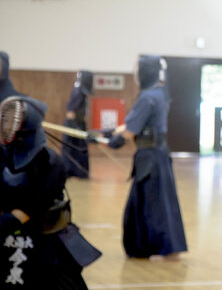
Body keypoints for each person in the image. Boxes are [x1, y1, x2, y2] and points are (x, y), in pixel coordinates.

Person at [0, 95, 101, 288]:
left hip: (43, 240)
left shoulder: (51, 164)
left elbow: (30, 209)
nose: (4, 124)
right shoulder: (2, 157)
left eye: (10, 119)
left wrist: (9, 219)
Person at [101, 55, 187, 260]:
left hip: (150, 159)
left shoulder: (148, 97)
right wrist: (110, 131)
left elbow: (130, 131)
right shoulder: (160, 93)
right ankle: (166, 248)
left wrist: (115, 140)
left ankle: (158, 248)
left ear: (145, 72)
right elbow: (135, 125)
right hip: (158, 156)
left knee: (150, 207)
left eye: (137, 70)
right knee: (159, 205)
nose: (134, 75)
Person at [61, 71, 94, 179]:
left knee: (80, 148)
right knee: (69, 148)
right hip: (73, 124)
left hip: (79, 124)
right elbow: (70, 111)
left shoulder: (82, 91)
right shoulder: (77, 91)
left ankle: (80, 172)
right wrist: (74, 127)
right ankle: (68, 171)